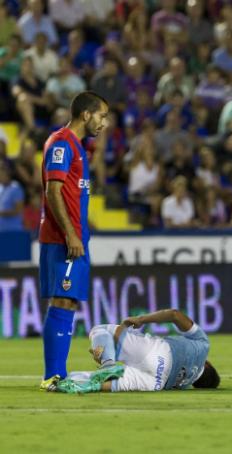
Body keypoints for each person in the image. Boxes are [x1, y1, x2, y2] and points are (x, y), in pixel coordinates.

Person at [39, 91, 109, 391]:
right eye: (101, 116)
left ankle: (59, 374)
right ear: (86, 114)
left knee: (68, 301)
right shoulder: (61, 143)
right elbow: (52, 192)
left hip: (74, 237)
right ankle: (53, 375)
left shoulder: (77, 147)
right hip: (63, 239)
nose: (103, 123)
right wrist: (70, 234)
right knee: (62, 299)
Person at [54, 309, 220, 393]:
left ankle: (108, 364)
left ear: (208, 364)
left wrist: (141, 320)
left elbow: (174, 315)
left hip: (159, 353)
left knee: (101, 330)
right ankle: (62, 385)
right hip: (157, 382)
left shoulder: (203, 345)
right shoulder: (185, 385)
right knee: (109, 384)